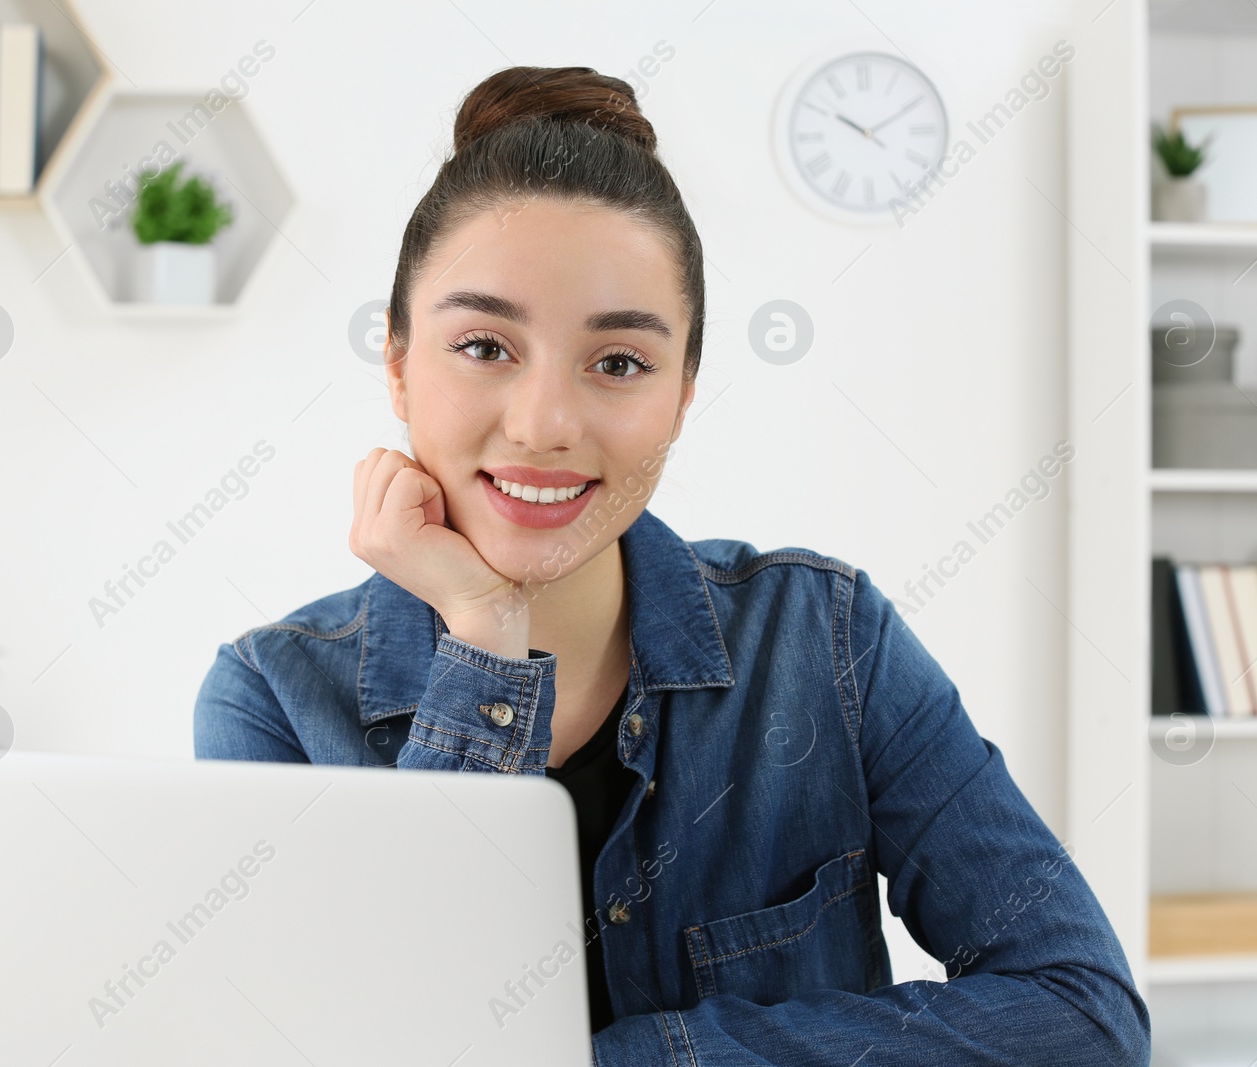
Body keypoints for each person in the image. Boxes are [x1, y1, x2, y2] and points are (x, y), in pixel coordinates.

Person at [193, 64, 1150, 1066]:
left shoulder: (824, 639)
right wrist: (483, 633)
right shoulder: (274, 698)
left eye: (617, 363)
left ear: (684, 390)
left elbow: (1080, 1014)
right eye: (484, 344)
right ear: (395, 359)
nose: (544, 424)